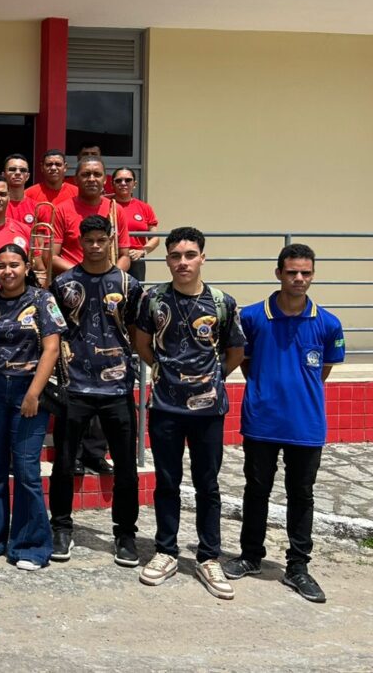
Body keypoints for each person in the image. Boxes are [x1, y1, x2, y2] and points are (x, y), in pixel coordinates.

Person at [222, 244, 345, 603]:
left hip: (306, 426)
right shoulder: (253, 318)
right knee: (256, 491)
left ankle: (298, 567)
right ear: (278, 273)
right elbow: (244, 361)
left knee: (301, 495)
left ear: (313, 275)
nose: (299, 279)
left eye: (305, 273)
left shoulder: (328, 323)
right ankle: (250, 556)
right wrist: (265, 388)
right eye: (292, 272)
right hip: (261, 421)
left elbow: (322, 371)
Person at [134, 226, 245, 599]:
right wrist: (166, 372)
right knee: (166, 482)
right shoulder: (153, 299)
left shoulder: (222, 302)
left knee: (207, 484)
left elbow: (234, 351)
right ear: (167, 259)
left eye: (189, 255)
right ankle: (166, 551)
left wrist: (209, 379)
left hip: (208, 409)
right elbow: (142, 343)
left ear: (202, 257)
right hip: (165, 406)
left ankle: (208, 556)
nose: (182, 262)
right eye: (175, 256)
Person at [48, 215, 142, 566]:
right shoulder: (64, 283)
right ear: (81, 242)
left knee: (126, 467)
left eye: (102, 240)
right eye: (89, 240)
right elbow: (53, 330)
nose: (96, 246)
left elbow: (136, 332)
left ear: (110, 240)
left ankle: (125, 533)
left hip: (117, 387)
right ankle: (61, 527)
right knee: (64, 463)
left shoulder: (128, 284)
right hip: (74, 385)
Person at [0, 243, 65, 571]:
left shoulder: (42, 300)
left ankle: (31, 545)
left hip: (28, 389)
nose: (7, 271)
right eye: (1, 265)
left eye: (14, 264)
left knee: (25, 470)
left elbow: (52, 349)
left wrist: (34, 394)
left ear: (26, 267)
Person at [51, 156, 132, 277]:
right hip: (73, 281)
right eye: (86, 174)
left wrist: (110, 277)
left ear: (105, 179)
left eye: (97, 174)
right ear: (76, 180)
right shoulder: (61, 210)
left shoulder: (115, 209)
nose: (91, 179)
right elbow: (52, 256)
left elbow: (124, 256)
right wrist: (83, 275)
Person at [111, 167, 160, 281]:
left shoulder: (144, 207)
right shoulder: (105, 204)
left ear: (134, 184)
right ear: (112, 184)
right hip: (111, 258)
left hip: (135, 260)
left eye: (128, 180)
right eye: (118, 180)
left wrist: (142, 251)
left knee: (135, 295)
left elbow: (155, 238)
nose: (123, 183)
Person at [2, 153, 39, 227]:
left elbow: (42, 237)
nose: (18, 173)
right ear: (4, 175)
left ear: (28, 176)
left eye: (23, 170)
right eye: (12, 169)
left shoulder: (38, 208)